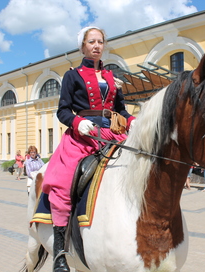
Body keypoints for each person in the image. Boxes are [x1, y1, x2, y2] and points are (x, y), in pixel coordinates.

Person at [41, 26, 135, 272]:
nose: (96, 45)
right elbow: (62, 110)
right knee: (63, 183)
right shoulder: (72, 75)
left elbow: (121, 110)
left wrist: (134, 122)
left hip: (114, 134)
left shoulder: (113, 77)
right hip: (83, 135)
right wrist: (77, 122)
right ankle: (60, 252)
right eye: (91, 41)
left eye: (100, 41)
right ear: (82, 46)